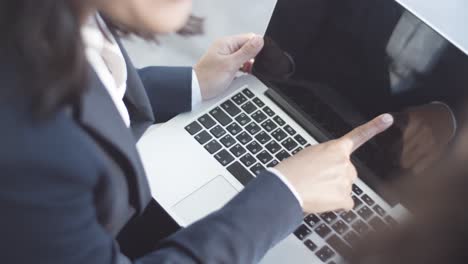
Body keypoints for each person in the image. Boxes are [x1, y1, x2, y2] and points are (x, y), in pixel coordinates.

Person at [0, 0, 393, 263]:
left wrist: (194, 84)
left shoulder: (50, 21)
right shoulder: (29, 149)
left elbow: (91, 85)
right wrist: (285, 195)